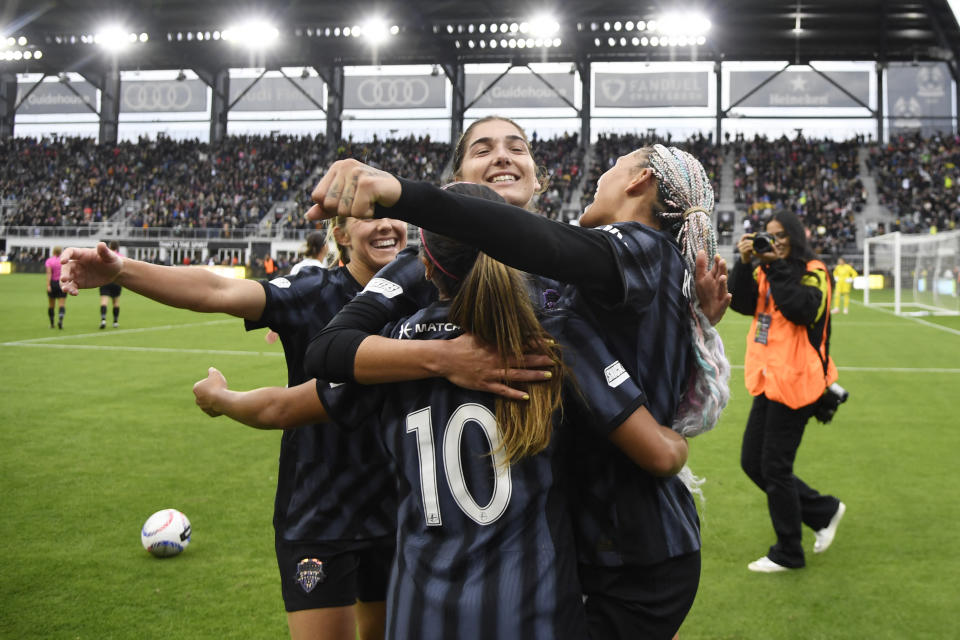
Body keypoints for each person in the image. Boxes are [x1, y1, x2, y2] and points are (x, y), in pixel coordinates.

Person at [192, 187, 691, 639]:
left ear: (425, 268)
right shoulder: (554, 337)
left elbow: (291, 400)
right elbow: (660, 455)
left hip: (419, 613)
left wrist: (223, 400)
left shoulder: (390, 351)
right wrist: (683, 425)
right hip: (533, 611)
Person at [304, 140, 732, 639]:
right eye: (483, 149)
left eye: (612, 166)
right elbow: (327, 357)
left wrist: (402, 194)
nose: (599, 175)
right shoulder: (566, 299)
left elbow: (544, 246)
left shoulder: (627, 253)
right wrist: (441, 357)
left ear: (639, 182)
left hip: (626, 544)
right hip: (576, 551)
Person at [58, 215, 409, 640]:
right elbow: (217, 289)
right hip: (319, 512)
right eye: (369, 217)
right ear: (340, 234)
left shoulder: (423, 294)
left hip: (402, 508)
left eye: (393, 212)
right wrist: (122, 270)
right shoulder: (315, 291)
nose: (386, 225)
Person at [730, 210, 847, 573]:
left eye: (780, 236)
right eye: (768, 236)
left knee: (775, 468)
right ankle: (823, 510)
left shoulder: (814, 270)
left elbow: (801, 310)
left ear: (794, 236)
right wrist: (745, 262)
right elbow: (742, 303)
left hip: (799, 380)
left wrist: (776, 266)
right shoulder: (765, 269)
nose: (774, 242)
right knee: (753, 462)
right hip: (768, 378)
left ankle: (788, 552)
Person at [99, 241, 123, 329]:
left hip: (105, 281)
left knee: (104, 301)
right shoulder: (121, 257)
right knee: (116, 302)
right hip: (116, 281)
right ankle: (115, 322)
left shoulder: (105, 257)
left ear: (110, 246)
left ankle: (103, 320)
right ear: (117, 247)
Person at [45, 246, 67, 329]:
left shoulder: (49, 261)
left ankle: (52, 323)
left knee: (51, 305)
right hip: (62, 283)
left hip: (53, 283)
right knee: (61, 305)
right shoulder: (63, 260)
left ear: (53, 251)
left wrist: (48, 285)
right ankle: (60, 320)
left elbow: (49, 273)